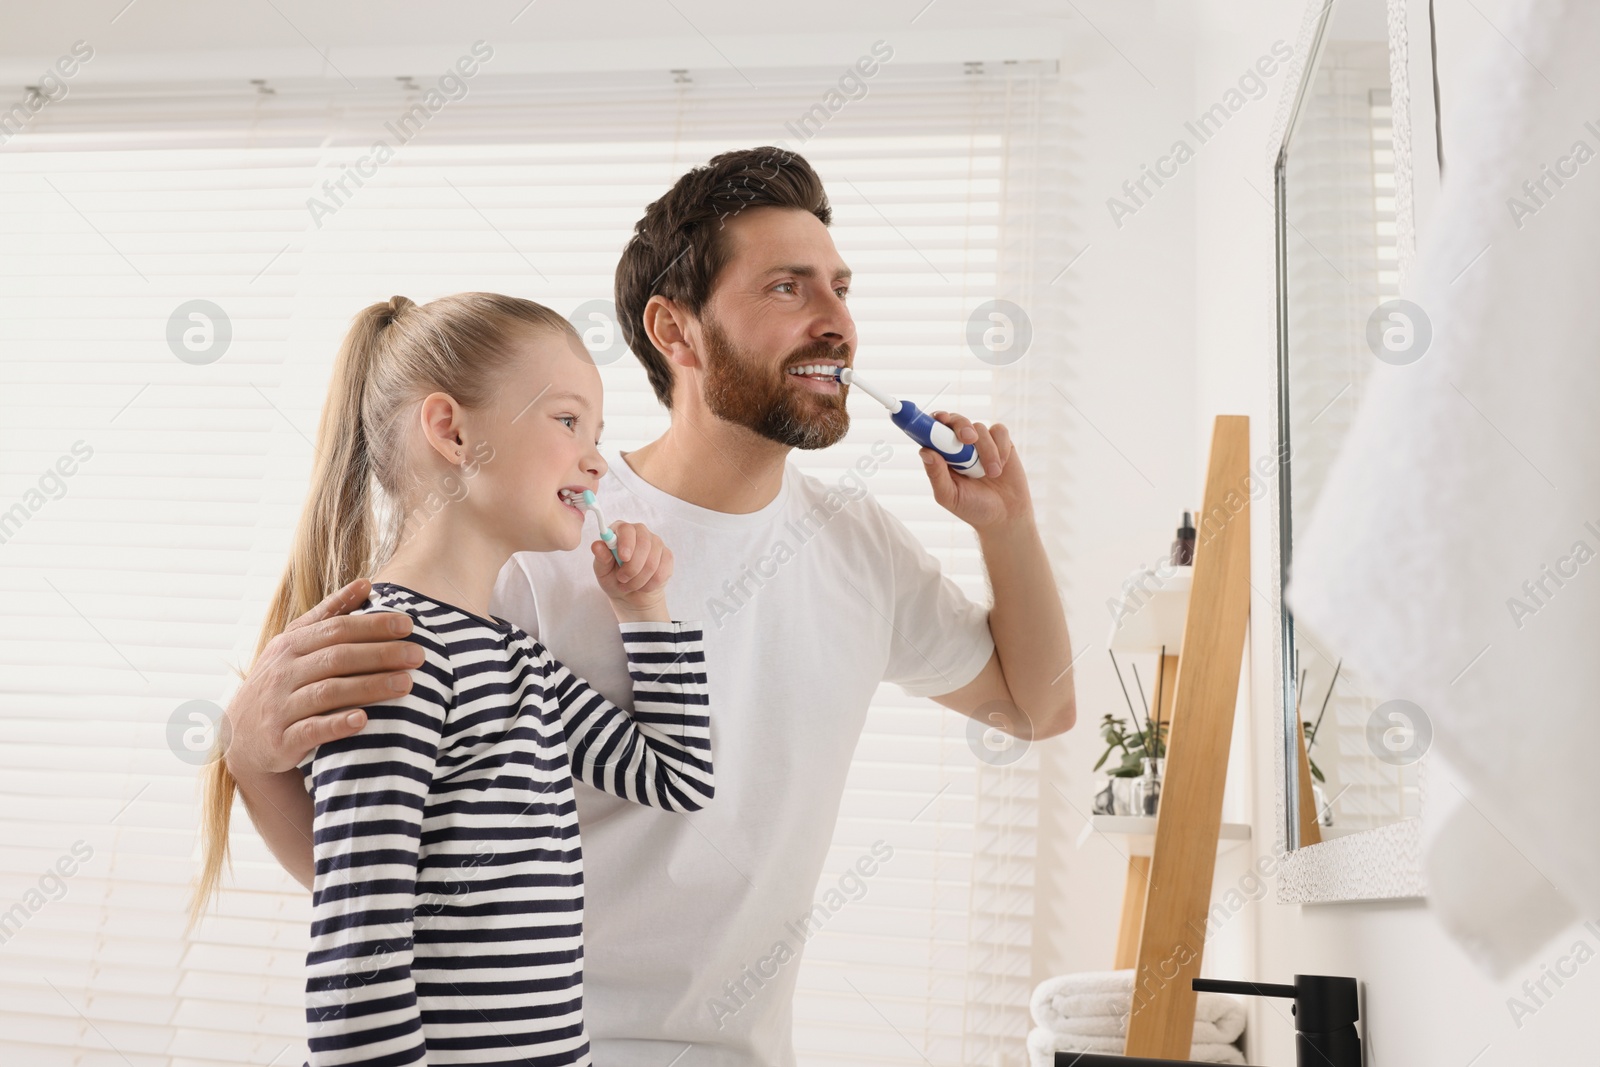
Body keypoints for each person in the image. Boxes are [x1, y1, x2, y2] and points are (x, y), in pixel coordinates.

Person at [221, 148, 1077, 1066]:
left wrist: (1008, 526)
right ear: (676, 330)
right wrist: (245, 743)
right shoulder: (539, 541)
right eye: (788, 288)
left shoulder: (858, 543)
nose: (837, 323)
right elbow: (376, 882)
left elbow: (1035, 706)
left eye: (841, 287)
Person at [191, 292, 715, 1065]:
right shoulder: (390, 655)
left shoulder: (515, 659)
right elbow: (359, 954)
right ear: (454, 430)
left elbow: (677, 775)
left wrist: (645, 611)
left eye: (597, 433)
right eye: (569, 421)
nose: (597, 457)